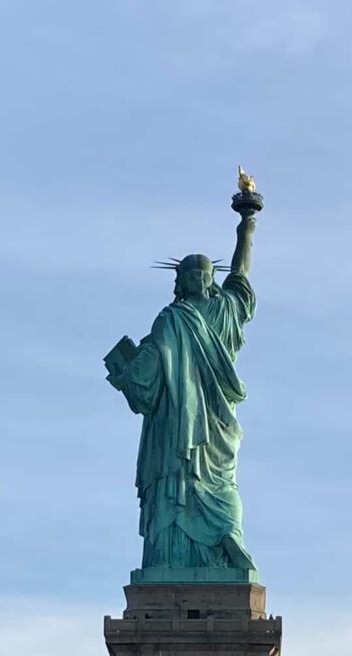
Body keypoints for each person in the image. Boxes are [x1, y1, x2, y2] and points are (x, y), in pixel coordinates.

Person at [105, 212, 257, 571]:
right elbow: (240, 277)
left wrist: (125, 369)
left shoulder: (173, 319)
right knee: (215, 483)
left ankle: (184, 553)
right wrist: (246, 226)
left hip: (180, 427)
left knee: (184, 483)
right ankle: (219, 539)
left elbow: (144, 378)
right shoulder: (215, 313)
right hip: (204, 424)